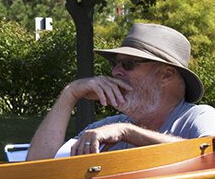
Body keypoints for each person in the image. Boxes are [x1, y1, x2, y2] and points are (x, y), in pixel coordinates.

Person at [27, 23, 215, 161]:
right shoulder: (110, 127)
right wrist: (70, 95)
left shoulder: (198, 116)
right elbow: (36, 170)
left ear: (166, 75)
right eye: (114, 63)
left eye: (128, 64)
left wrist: (128, 133)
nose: (115, 71)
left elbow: (210, 156)